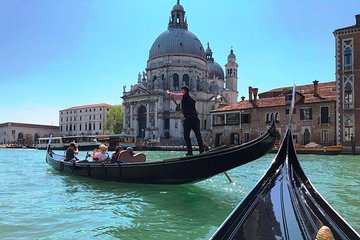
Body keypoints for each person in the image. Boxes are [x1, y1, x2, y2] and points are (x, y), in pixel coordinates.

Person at [167, 86, 204, 156]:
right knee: (198, 135)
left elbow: (173, 95)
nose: (181, 92)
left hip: (188, 119)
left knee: (186, 136)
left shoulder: (183, 96)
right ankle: (201, 150)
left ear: (184, 91)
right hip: (195, 119)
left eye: (181, 90)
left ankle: (190, 152)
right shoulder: (192, 100)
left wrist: (168, 92)